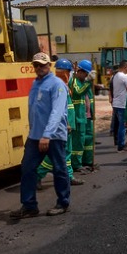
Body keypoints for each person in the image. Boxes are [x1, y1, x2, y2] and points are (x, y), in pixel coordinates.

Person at [11, 52, 70, 219]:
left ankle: (63, 203)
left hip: (53, 136)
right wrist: (33, 132)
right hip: (35, 136)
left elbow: (57, 112)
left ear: (49, 65)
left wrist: (47, 135)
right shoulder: (35, 83)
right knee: (27, 168)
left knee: (59, 169)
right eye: (36, 65)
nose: (39, 68)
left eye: (42, 65)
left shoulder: (57, 84)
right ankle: (29, 206)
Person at [36, 58, 83, 188]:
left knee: (66, 153)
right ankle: (37, 175)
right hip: (62, 126)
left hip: (67, 125)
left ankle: (69, 176)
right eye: (69, 72)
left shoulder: (63, 85)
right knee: (55, 155)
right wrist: (66, 123)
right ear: (66, 72)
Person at [70, 59, 96, 172]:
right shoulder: (74, 81)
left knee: (88, 140)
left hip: (87, 116)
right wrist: (88, 82)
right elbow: (79, 91)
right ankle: (76, 164)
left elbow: (90, 99)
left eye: (88, 75)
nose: (86, 76)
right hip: (78, 117)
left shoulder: (85, 82)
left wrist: (92, 113)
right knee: (78, 142)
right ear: (79, 71)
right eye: (86, 74)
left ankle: (88, 161)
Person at [109, 60, 127, 152]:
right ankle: (121, 145)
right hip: (122, 104)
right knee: (122, 126)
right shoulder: (124, 77)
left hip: (116, 104)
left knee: (119, 125)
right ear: (126, 67)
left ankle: (120, 142)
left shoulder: (115, 76)